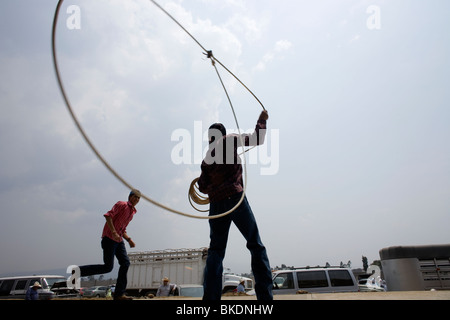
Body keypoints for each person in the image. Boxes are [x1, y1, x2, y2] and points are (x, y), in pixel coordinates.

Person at [198, 110, 273, 301]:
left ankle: (210, 300)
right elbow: (258, 139)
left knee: (215, 250)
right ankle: (265, 298)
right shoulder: (229, 140)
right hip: (235, 198)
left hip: (215, 205)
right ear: (222, 133)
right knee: (255, 244)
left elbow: (202, 186)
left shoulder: (206, 159)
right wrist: (262, 120)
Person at [79, 189, 141, 300]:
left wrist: (129, 240)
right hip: (109, 238)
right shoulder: (122, 204)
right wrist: (113, 232)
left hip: (119, 240)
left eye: (139, 198)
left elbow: (123, 229)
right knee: (108, 267)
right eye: (135, 197)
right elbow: (108, 216)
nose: (137, 199)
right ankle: (78, 271)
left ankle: (119, 294)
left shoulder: (132, 213)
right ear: (130, 197)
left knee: (125, 263)